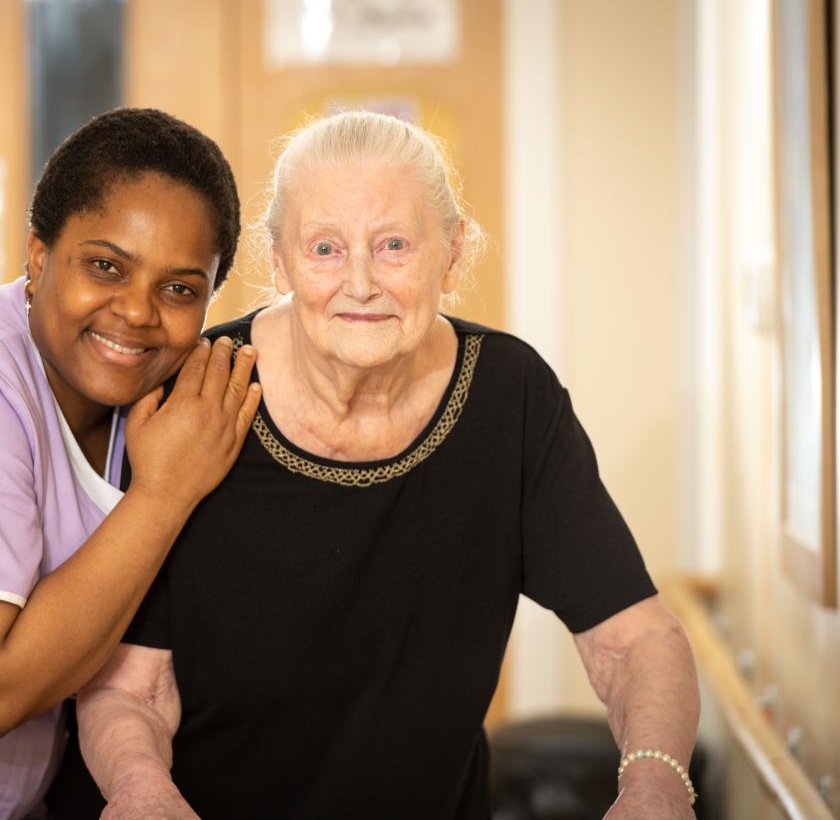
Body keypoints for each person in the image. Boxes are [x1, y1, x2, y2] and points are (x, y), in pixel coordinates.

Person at [70, 111, 700, 819]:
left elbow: (635, 640)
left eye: (394, 245)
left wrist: (655, 783)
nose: (361, 284)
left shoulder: (509, 398)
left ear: (452, 254)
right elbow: (130, 688)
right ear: (277, 260)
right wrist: (140, 788)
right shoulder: (196, 395)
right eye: (325, 249)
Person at [0, 107, 261, 819]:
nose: (139, 313)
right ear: (37, 255)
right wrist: (164, 495)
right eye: (106, 266)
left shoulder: (155, 400)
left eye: (178, 289)